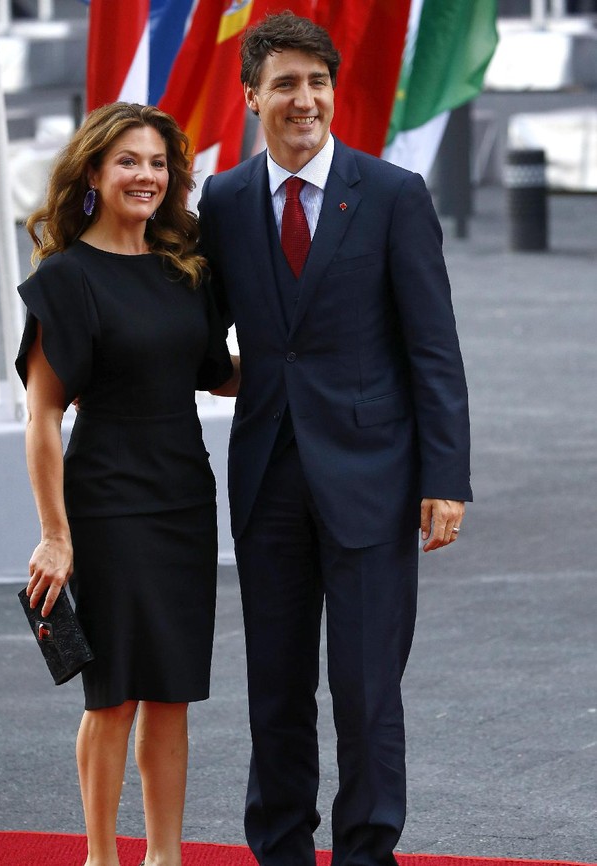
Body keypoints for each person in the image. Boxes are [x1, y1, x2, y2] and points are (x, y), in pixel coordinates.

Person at [198, 12, 472, 866]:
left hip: (374, 482)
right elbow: (209, 342)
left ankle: (365, 852)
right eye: (285, 83)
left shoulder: (393, 195)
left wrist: (447, 478)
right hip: (268, 479)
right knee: (275, 693)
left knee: (364, 693)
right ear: (252, 97)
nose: (304, 99)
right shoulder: (225, 201)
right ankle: (278, 848)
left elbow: (433, 350)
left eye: (317, 82)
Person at [15, 102, 233, 866]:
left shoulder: (187, 269)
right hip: (106, 504)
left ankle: (166, 857)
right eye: (129, 162)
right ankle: (102, 857)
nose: (146, 175)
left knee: (172, 692)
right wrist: (55, 532)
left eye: (158, 163)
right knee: (112, 697)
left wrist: (312, 363)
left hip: (185, 499)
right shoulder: (68, 279)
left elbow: (216, 375)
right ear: (94, 176)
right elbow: (41, 416)